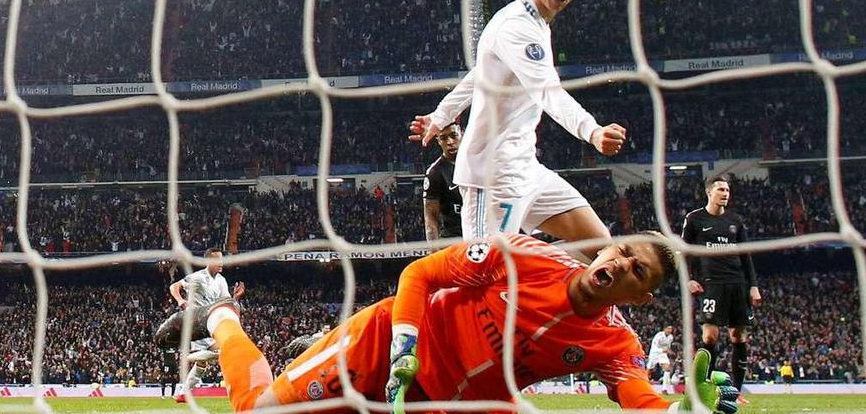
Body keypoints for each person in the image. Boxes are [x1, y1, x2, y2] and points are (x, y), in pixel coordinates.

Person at [159, 233, 738, 413]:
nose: (619, 264)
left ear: (639, 298)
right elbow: (419, 275)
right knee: (256, 411)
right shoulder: (523, 256)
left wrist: (680, 410)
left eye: (636, 271)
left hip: (447, 403)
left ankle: (315, 345)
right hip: (385, 346)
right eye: (620, 251)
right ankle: (220, 314)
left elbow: (636, 392)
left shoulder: (615, 341)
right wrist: (406, 341)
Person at [409, 0, 626, 254]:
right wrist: (592, 131)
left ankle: (538, 289)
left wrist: (440, 115)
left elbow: (478, 76)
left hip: (527, 168)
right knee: (487, 275)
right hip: (493, 178)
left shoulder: (536, 22)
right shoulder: (517, 26)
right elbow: (548, 93)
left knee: (600, 249)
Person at [682, 174, 762, 404]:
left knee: (738, 336)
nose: (725, 194)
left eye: (727, 190)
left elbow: (746, 256)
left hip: (738, 283)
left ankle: (735, 393)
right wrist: (688, 279)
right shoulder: (695, 219)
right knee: (710, 335)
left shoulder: (736, 220)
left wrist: (753, 286)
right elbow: (683, 251)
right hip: (712, 284)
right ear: (709, 192)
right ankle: (704, 386)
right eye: (720, 190)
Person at [165, 247, 245, 402]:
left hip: (212, 323)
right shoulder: (198, 277)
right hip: (198, 323)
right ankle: (187, 358)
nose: (221, 262)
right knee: (223, 351)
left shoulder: (221, 280)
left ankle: (183, 393)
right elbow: (174, 287)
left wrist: (236, 297)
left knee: (203, 364)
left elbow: (226, 303)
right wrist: (181, 300)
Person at [423, 123, 464, 241]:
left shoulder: (476, 162)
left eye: (453, 136)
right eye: (443, 138)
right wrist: (433, 250)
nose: (449, 142)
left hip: (481, 234)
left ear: (462, 134)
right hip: (453, 239)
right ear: (438, 141)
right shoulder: (435, 172)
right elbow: (431, 217)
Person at [647, 325, 675, 395]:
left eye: (671, 329)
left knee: (667, 369)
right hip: (654, 353)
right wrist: (662, 350)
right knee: (649, 371)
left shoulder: (671, 337)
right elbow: (654, 347)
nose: (670, 330)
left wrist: (669, 351)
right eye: (668, 328)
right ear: (664, 329)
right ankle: (644, 385)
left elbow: (667, 347)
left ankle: (664, 389)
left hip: (662, 355)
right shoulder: (658, 336)